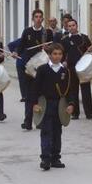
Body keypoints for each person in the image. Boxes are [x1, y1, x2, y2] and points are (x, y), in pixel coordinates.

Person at [31, 43, 76, 171]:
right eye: (54, 54)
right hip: (46, 104)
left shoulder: (65, 71)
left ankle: (55, 157)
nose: (57, 57)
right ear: (49, 55)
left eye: (60, 54)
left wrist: (71, 104)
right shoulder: (42, 70)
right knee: (46, 131)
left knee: (57, 132)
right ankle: (45, 158)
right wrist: (34, 103)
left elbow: (70, 90)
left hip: (60, 105)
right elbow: (35, 88)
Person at [17, 9, 53, 130]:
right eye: (36, 17)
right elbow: (21, 47)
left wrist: (48, 48)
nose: (38, 19)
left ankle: (40, 121)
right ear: (33, 19)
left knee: (41, 96)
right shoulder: (27, 31)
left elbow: (54, 50)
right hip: (30, 67)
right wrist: (15, 52)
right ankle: (27, 121)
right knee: (29, 96)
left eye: (40, 17)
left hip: (43, 69)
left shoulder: (46, 33)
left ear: (42, 19)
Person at [61, 19, 92, 120]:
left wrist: (90, 50)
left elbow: (91, 51)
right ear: (67, 28)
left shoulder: (84, 38)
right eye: (69, 26)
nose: (71, 27)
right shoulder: (65, 39)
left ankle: (89, 113)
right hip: (71, 68)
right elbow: (62, 53)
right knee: (73, 90)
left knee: (86, 90)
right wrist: (64, 62)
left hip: (84, 68)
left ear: (77, 26)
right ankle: (75, 113)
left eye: (73, 25)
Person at [8, 38, 26, 103]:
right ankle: (24, 96)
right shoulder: (21, 40)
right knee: (22, 80)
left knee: (27, 80)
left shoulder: (33, 41)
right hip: (20, 63)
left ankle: (27, 95)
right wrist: (14, 52)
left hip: (30, 64)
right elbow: (10, 45)